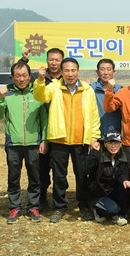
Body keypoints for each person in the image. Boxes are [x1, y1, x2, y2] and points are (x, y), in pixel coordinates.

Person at [33, 57, 101, 223]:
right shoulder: (54, 87)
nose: (70, 74)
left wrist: (94, 137)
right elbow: (41, 96)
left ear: (78, 71)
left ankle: (83, 206)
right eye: (67, 71)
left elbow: (94, 115)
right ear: (62, 72)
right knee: (59, 176)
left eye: (73, 70)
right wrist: (40, 81)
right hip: (59, 139)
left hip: (81, 141)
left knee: (82, 175)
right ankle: (60, 206)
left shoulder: (87, 90)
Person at [0, 61, 48, 224]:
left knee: (35, 176)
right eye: (18, 76)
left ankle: (33, 206)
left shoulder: (37, 94)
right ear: (13, 77)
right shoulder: (7, 94)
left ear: (30, 76)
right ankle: (14, 207)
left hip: (33, 143)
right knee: (13, 177)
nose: (21, 79)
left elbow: (44, 119)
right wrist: (1, 99)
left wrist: (44, 139)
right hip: (13, 144)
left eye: (24, 75)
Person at [21, 47, 65, 210]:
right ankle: (41, 198)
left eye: (57, 60)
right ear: (46, 61)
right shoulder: (38, 77)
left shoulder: (66, 79)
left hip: (60, 129)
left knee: (59, 168)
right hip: (40, 129)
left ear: (62, 61)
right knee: (41, 167)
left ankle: (59, 199)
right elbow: (21, 76)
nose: (54, 63)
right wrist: (23, 60)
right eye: (51, 59)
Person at [82, 129, 130, 226]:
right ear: (105, 144)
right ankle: (97, 210)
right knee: (113, 210)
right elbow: (84, 170)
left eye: (116, 143)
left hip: (112, 191)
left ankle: (120, 215)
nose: (113, 146)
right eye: (110, 142)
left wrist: (125, 180)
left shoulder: (123, 157)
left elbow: (124, 174)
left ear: (120, 144)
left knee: (125, 187)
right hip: (98, 193)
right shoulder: (98, 156)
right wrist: (93, 153)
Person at [92, 58, 122, 139]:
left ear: (113, 72)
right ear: (97, 72)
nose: (105, 73)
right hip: (96, 135)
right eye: (102, 69)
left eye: (109, 69)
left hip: (115, 135)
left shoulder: (120, 89)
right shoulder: (91, 88)